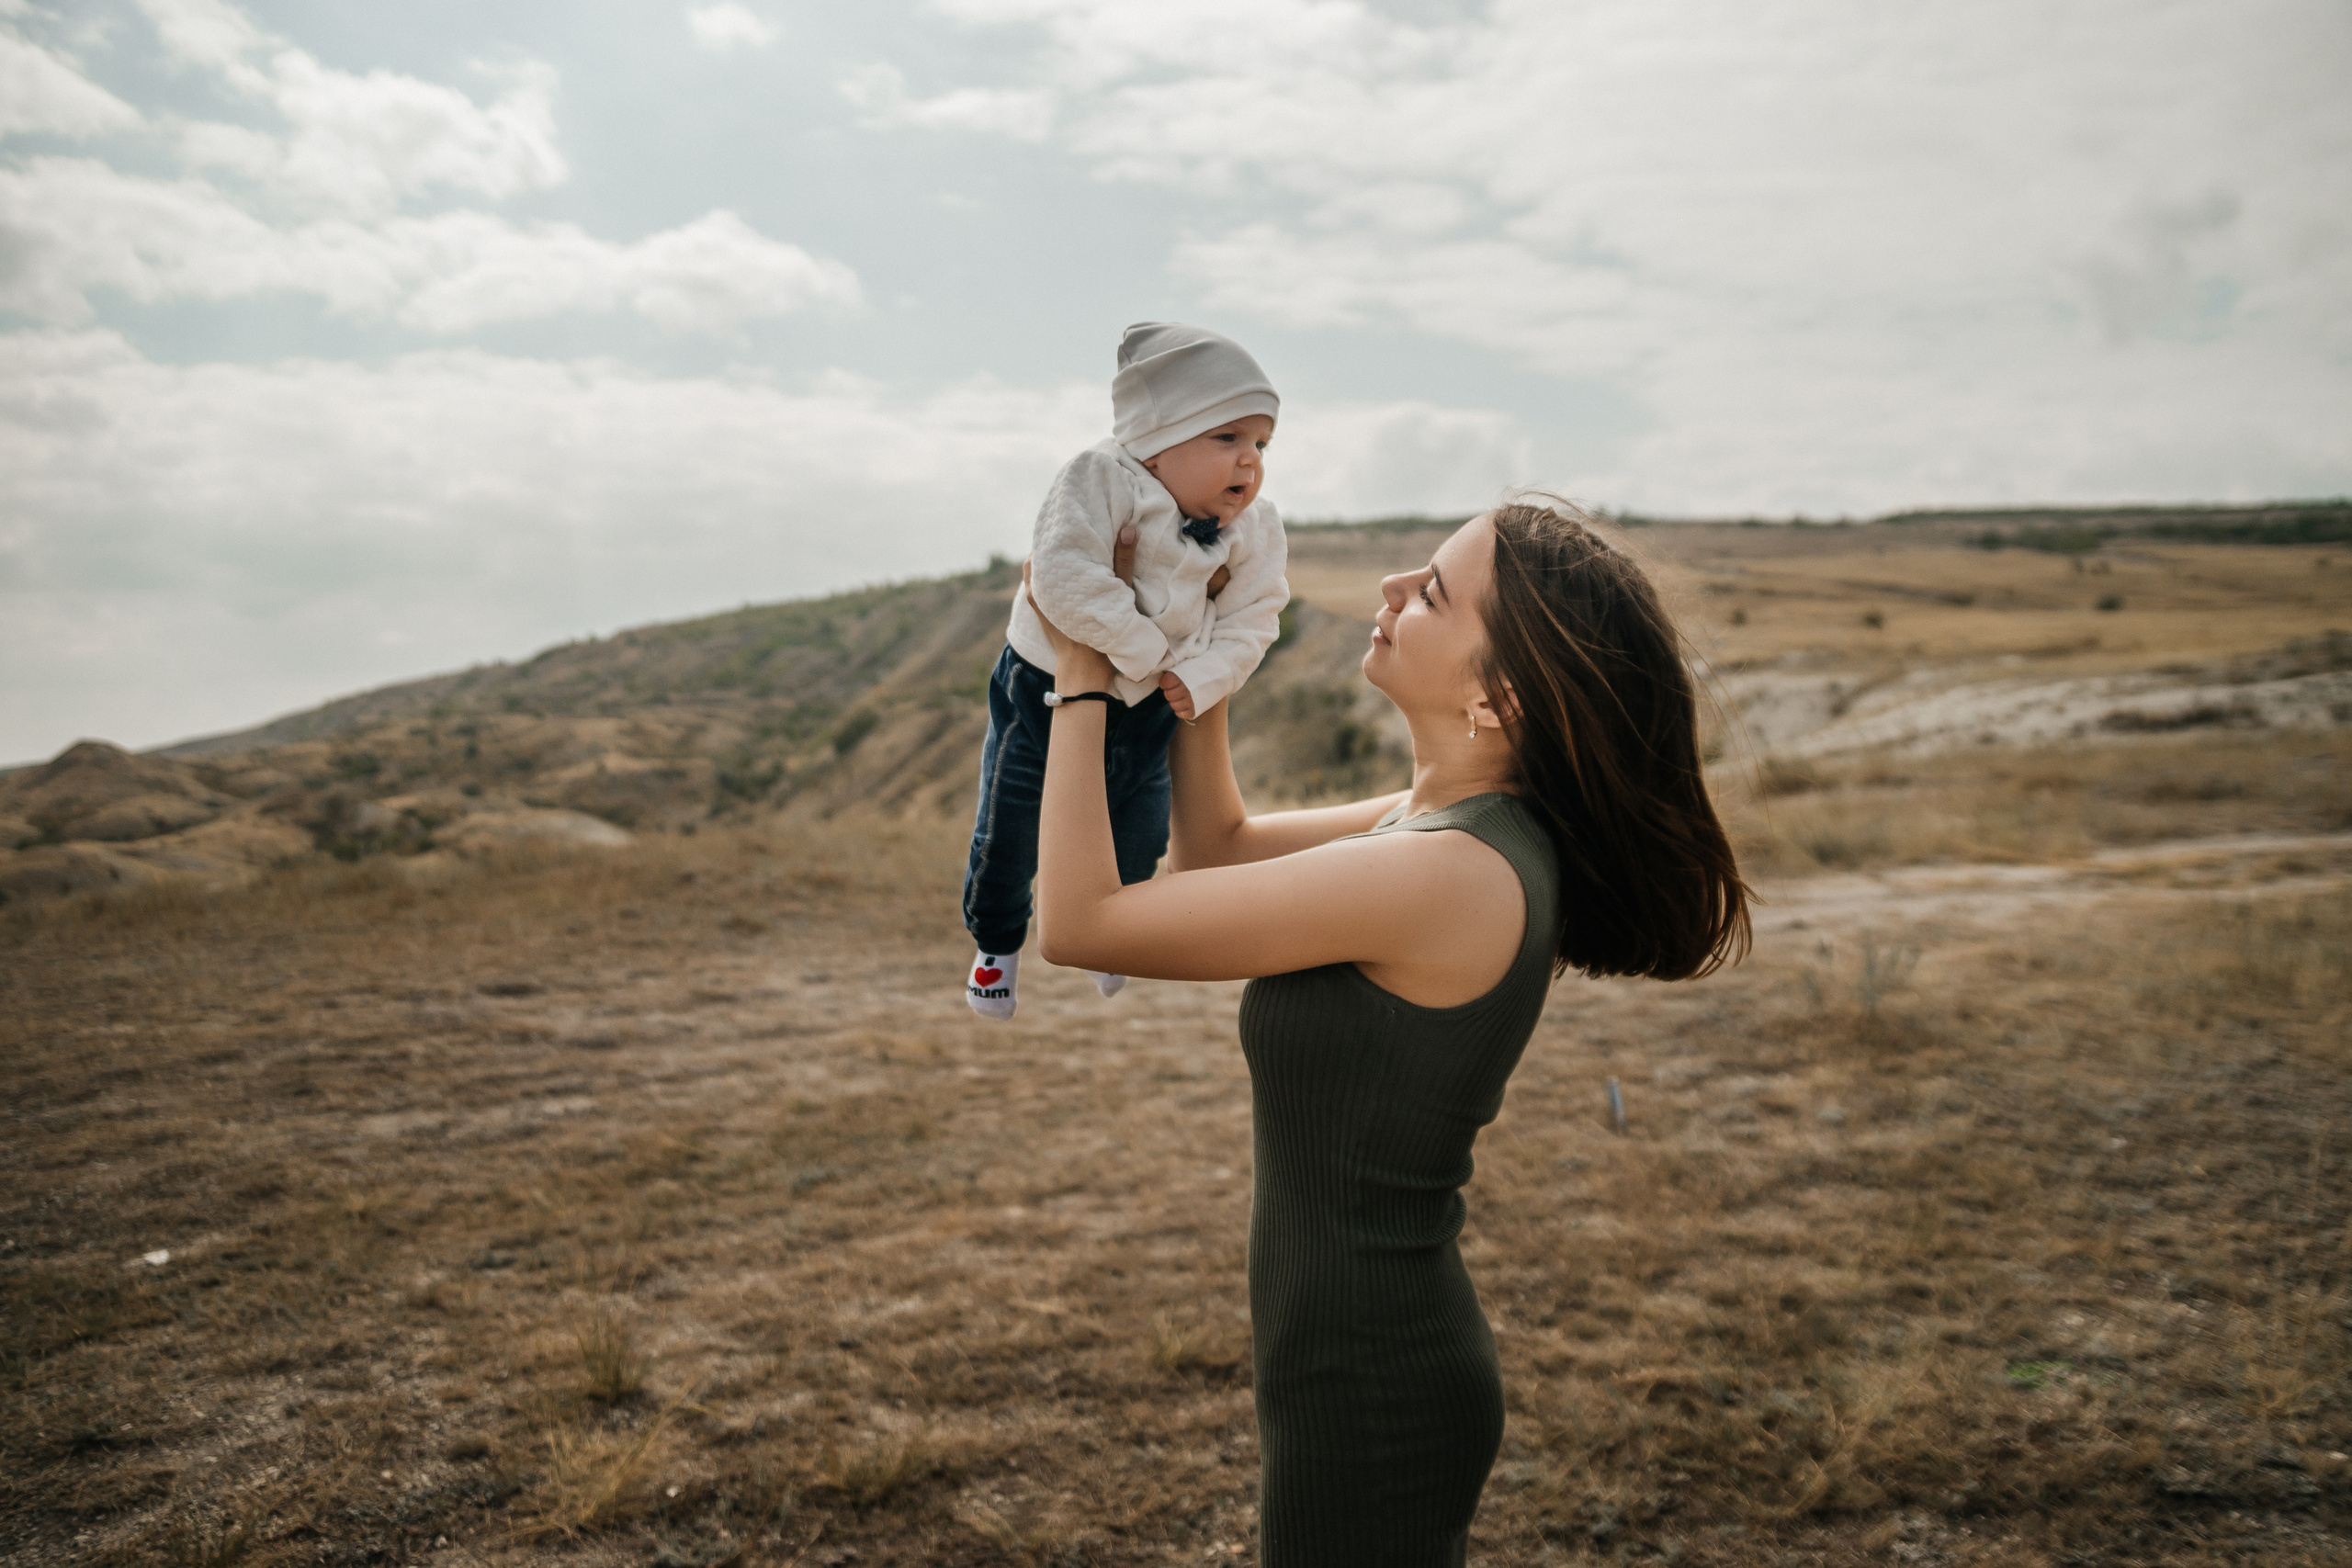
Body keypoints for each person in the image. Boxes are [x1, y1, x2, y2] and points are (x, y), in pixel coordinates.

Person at [1023, 500, 1752, 1567]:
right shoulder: (1434, 824)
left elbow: (1083, 926)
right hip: (1348, 1352)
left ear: (1496, 695)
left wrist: (1078, 671)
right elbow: (1219, 851)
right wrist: (1202, 645)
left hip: (1370, 1381)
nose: (1389, 591)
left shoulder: (1447, 869)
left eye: (1433, 591)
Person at [963, 321, 1289, 1019]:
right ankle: (996, 946)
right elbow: (1062, 575)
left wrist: (1204, 678)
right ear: (1155, 438)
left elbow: (1258, 614)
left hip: (1155, 703)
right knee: (1013, 821)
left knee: (1141, 827)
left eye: (1261, 443)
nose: (1250, 463)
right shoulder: (1099, 478)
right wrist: (1147, 651)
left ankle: (1120, 934)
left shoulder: (1257, 528)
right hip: (1046, 683)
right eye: (1226, 438)